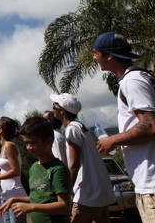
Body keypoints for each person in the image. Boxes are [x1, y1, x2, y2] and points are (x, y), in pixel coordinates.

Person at [94, 32, 155, 222]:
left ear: (109, 56)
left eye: (96, 53)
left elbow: (152, 126)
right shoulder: (144, 77)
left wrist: (112, 140)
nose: (94, 58)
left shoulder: (132, 81)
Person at [51, 93, 114, 223]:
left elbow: (74, 164)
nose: (52, 110)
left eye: (54, 106)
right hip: (98, 187)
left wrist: (66, 190)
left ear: (62, 111)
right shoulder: (79, 126)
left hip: (87, 190)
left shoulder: (72, 129)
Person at [0, 117, 71, 223]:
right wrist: (15, 199)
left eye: (32, 143)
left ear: (49, 141)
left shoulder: (58, 169)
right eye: (26, 143)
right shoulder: (34, 168)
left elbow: (64, 206)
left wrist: (31, 207)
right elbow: (38, 199)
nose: (28, 147)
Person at [0, 117, 27, 223]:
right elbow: (4, 170)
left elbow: (16, 171)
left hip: (15, 194)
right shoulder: (4, 146)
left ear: (1, 130)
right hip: (7, 195)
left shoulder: (9, 146)